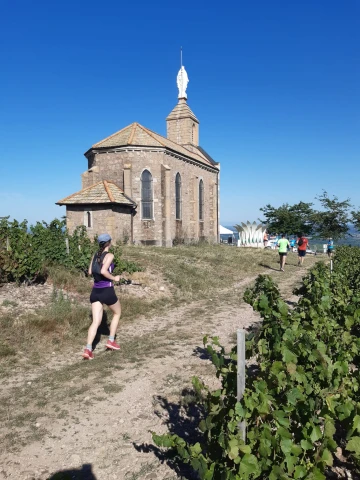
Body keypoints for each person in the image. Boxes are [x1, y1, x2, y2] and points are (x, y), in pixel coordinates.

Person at [83, 233, 122, 360]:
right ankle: (111, 341)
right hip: (107, 290)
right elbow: (103, 271)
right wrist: (114, 278)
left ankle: (88, 349)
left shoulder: (95, 255)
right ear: (109, 243)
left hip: (95, 292)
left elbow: (90, 272)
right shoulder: (110, 255)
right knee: (117, 313)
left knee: (95, 322)